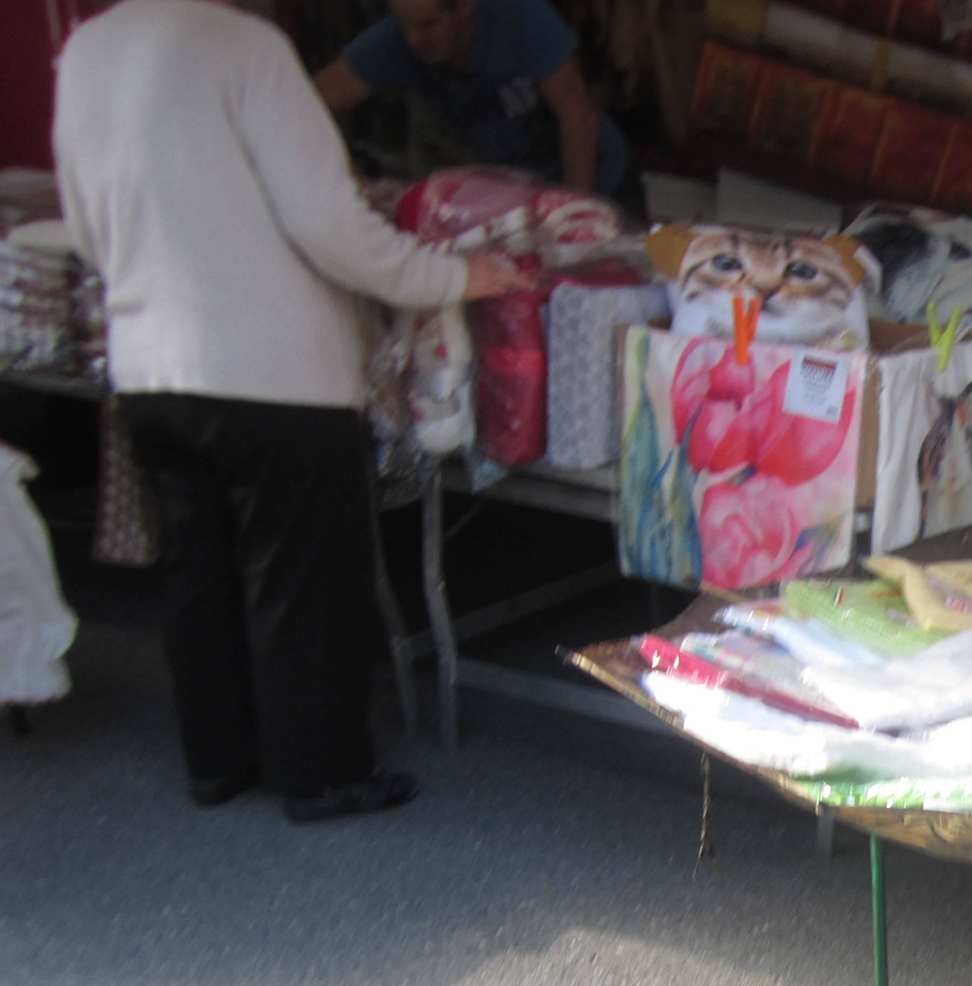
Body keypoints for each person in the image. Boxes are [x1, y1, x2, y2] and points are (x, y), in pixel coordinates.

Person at [53, 0, 529, 823]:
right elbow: (326, 222)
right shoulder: (247, 47)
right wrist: (451, 277)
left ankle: (218, 762)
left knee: (196, 574)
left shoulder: (88, 48)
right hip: (271, 369)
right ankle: (319, 774)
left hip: (149, 364)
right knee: (301, 582)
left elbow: (84, 223)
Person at [313, 0, 638, 214]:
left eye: (428, 25)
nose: (414, 40)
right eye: (403, 25)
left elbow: (577, 118)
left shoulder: (521, 16)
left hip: (596, 178)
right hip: (515, 200)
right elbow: (307, 99)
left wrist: (575, 215)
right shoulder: (396, 40)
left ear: (464, 8)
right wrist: (347, 177)